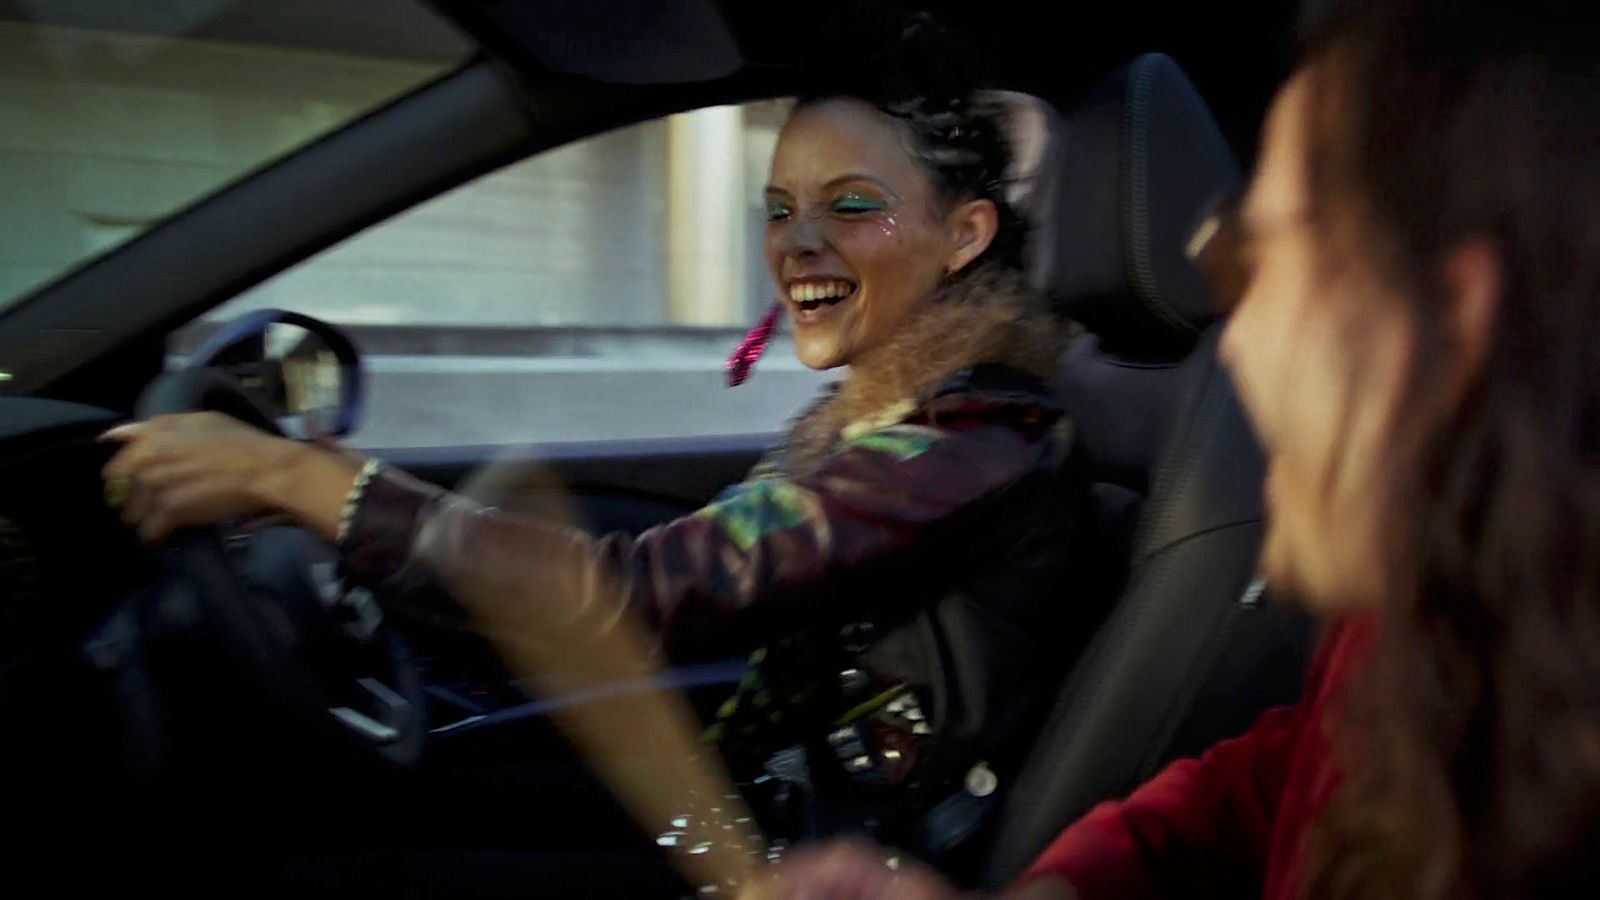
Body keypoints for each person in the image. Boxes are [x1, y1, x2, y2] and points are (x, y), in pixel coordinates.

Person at [100, 15, 1089, 856]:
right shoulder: (886, 421)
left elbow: (633, 595)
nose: (798, 241)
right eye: (779, 208)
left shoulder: (976, 439)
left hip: (860, 864)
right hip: (777, 815)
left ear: (963, 235)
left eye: (852, 206)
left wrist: (297, 479)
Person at [760, 0, 1600, 897]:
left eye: (1260, 261)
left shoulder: (984, 424)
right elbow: (1269, 788)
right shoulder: (1403, 627)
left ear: (1444, 328)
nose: (1235, 342)